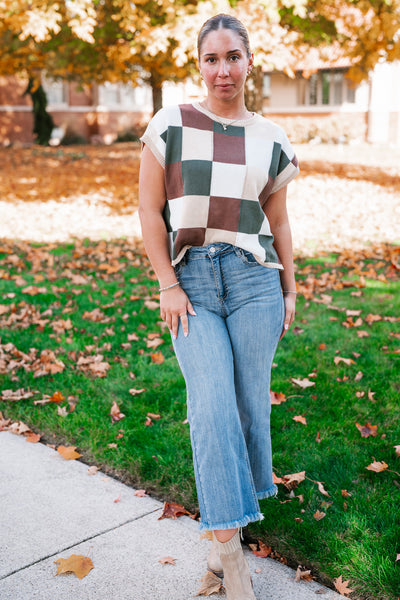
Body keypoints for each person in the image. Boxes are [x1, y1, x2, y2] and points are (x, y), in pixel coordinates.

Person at [138, 13, 299, 600]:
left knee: (250, 406)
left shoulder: (272, 137)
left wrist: (290, 287)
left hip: (256, 282)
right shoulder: (172, 123)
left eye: (233, 57)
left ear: (249, 62)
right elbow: (148, 212)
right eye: (211, 59)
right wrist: (166, 285)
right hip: (193, 285)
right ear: (199, 64)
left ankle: (215, 553)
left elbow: (277, 220)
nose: (222, 69)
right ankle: (231, 559)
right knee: (211, 405)